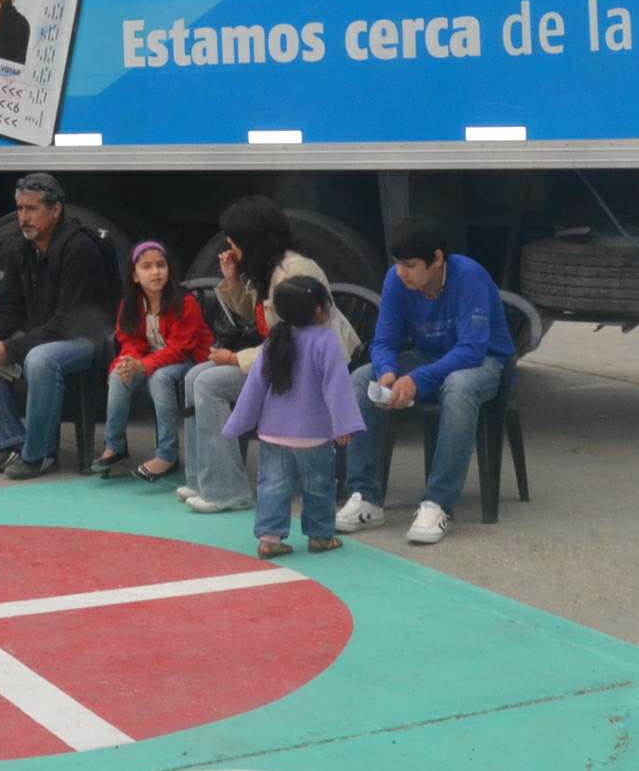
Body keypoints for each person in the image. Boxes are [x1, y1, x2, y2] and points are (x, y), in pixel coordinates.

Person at [338, 215, 518, 546]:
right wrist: (388, 370)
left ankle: (438, 502)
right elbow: (384, 341)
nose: (402, 272)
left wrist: (418, 379)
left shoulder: (469, 276)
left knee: (459, 386)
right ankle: (365, 497)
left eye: (410, 264)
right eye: (397, 264)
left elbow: (471, 350)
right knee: (363, 378)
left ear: (437, 260)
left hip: (484, 361)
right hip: (430, 357)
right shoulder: (396, 279)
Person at [180, 197, 359, 514]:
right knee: (194, 376)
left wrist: (236, 359)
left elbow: (297, 338)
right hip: (283, 357)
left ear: (251, 240)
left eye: (234, 241)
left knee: (209, 383)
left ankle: (226, 489)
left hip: (307, 365)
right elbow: (259, 318)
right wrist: (233, 279)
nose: (230, 247)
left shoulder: (294, 271)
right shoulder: (267, 268)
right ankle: (202, 478)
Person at [0, 172, 120, 480]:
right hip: (45, 333)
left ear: (56, 209)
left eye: (32, 209)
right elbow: (8, 306)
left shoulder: (80, 249)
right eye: (20, 209)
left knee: (40, 360)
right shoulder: (20, 248)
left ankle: (40, 454)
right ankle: (6, 444)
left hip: (86, 337)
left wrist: (9, 349)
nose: (23, 217)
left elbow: (68, 321)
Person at [225, 276, 366, 558]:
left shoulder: (275, 340)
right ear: (319, 310)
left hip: (273, 431)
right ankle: (320, 536)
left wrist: (239, 422)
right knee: (319, 485)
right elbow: (336, 386)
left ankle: (269, 538)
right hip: (314, 433)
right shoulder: (326, 340)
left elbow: (255, 386)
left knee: (273, 485)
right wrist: (344, 424)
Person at [95, 241, 211, 480]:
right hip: (151, 359)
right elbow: (129, 340)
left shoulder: (185, 303)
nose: (156, 272)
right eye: (146, 267)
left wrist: (144, 365)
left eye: (161, 265)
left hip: (190, 360)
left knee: (160, 378)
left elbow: (181, 348)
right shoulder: (130, 304)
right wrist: (130, 361)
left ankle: (167, 454)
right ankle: (114, 445)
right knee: (118, 373)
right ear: (135, 276)